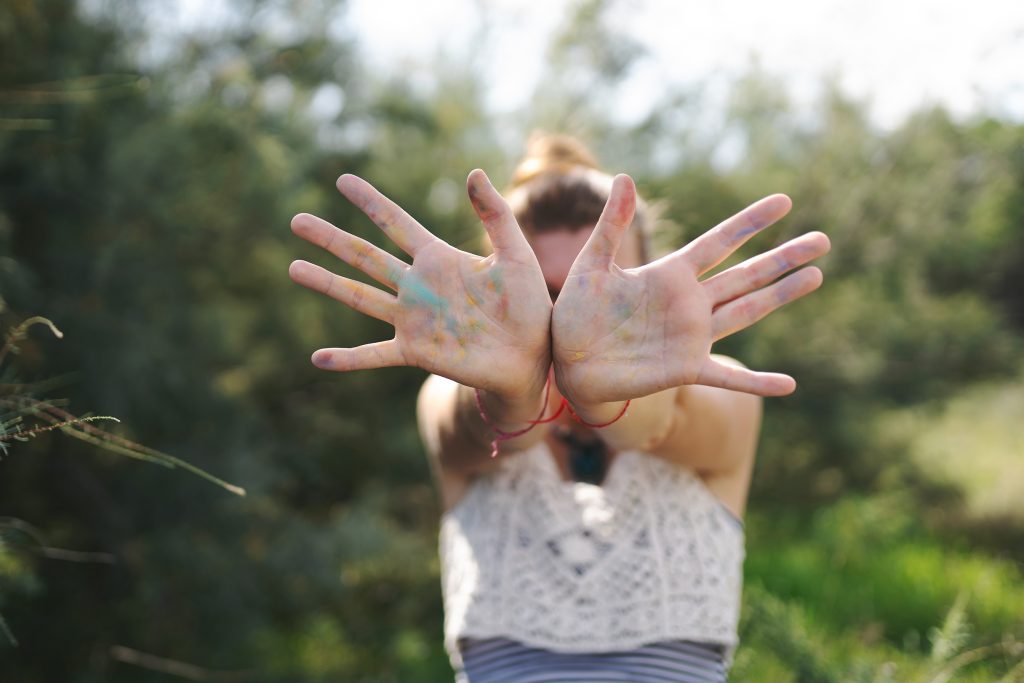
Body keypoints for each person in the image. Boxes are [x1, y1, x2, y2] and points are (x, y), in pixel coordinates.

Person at [288, 135, 831, 682]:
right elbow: (482, 428)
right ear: (497, 282)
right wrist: (518, 386)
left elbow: (657, 423)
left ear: (648, 268)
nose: (573, 312)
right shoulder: (447, 394)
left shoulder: (724, 389)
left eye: (592, 284)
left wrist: (599, 390)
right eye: (549, 289)